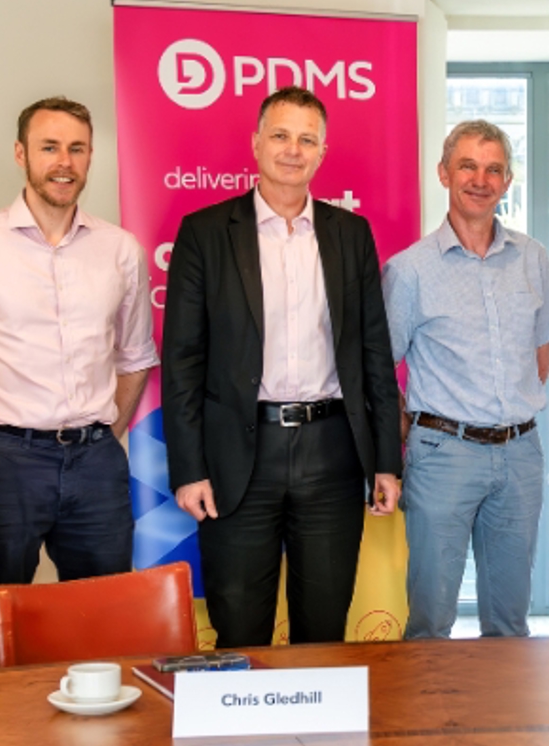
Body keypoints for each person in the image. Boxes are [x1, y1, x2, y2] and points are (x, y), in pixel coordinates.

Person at [160, 86, 403, 648]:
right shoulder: (204, 234)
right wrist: (189, 468)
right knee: (240, 626)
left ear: (321, 152)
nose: (293, 150)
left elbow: (374, 354)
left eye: (307, 139)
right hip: (238, 458)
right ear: (256, 144)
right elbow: (182, 361)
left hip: (332, 453)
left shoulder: (350, 234)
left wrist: (387, 462)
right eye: (281, 135)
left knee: (322, 631)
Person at [0, 97, 156, 668]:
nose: (64, 162)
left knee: (104, 626)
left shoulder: (120, 250)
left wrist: (102, 432)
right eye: (50, 147)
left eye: (77, 149)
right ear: (21, 154)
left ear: (91, 156)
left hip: (95, 463)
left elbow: (135, 356)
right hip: (3, 462)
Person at [384, 120, 549, 639]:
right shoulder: (410, 270)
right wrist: (412, 435)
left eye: (493, 169)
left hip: (521, 454)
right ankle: (428, 718)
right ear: (444, 173)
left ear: (507, 182)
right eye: (467, 166)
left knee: (509, 622)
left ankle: (503, 721)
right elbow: (380, 371)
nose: (480, 180)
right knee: (430, 621)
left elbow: (542, 352)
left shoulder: (533, 258)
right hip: (443, 454)